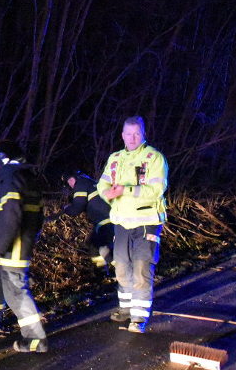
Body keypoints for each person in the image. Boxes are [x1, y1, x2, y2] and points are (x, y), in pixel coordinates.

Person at [0, 140, 49, 352]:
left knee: (17, 293)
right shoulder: (26, 178)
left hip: (13, 247)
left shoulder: (9, 178)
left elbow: (10, 215)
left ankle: (35, 340)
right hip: (22, 244)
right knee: (9, 288)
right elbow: (38, 217)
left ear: (2, 159)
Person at [96, 116, 168, 333]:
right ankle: (126, 309)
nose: (132, 138)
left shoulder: (154, 158)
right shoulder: (115, 158)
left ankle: (139, 317)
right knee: (121, 268)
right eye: (128, 133)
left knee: (141, 269)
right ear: (122, 135)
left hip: (147, 222)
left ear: (143, 133)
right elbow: (102, 184)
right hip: (121, 222)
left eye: (136, 133)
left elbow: (156, 190)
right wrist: (107, 192)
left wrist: (125, 190)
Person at [49, 170, 114, 271]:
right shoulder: (90, 182)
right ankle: (104, 273)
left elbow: (77, 206)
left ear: (72, 178)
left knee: (99, 246)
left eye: (68, 183)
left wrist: (67, 209)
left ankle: (119, 268)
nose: (70, 186)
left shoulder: (81, 183)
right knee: (94, 246)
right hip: (106, 220)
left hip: (105, 220)